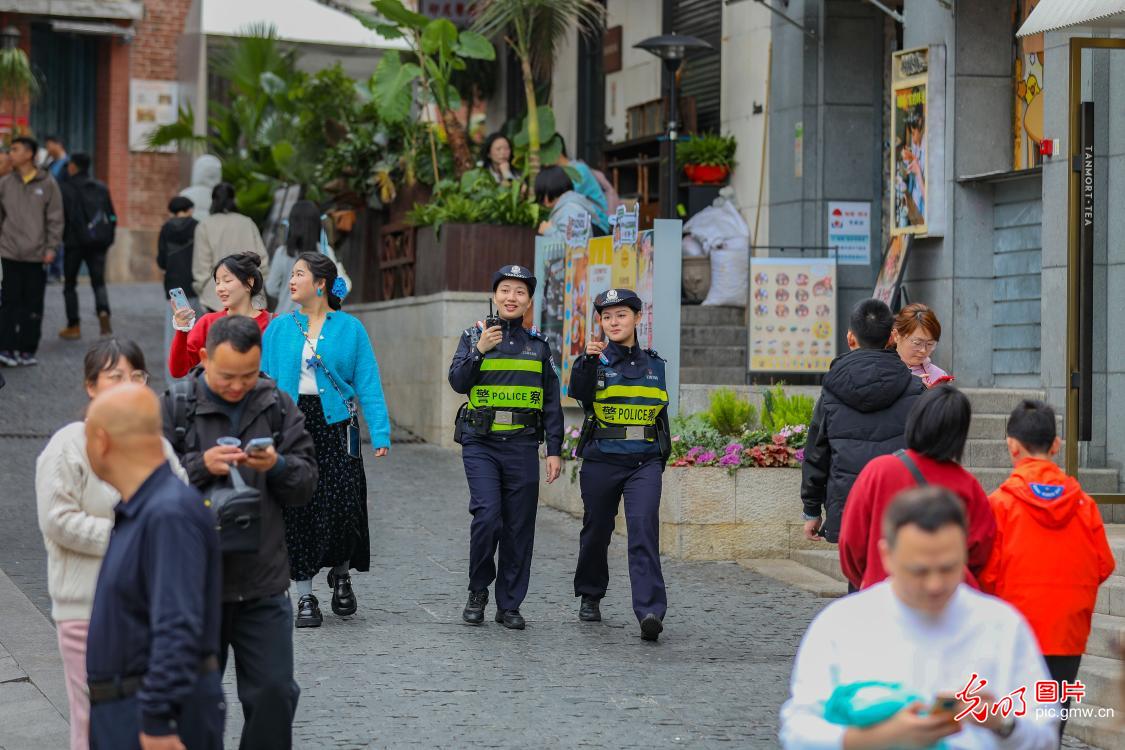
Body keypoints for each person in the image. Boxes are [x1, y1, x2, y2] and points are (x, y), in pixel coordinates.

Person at [780, 486, 1058, 749]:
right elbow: (797, 731)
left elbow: (1045, 735)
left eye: (948, 568)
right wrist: (881, 737)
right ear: (886, 556)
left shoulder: (1003, 624)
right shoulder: (841, 623)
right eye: (919, 571)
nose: (935, 584)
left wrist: (1002, 723)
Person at [162, 315, 317, 749]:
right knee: (193, 703)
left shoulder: (276, 405)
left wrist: (279, 467)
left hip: (261, 582)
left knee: (274, 694)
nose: (236, 386)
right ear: (206, 358)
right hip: (192, 585)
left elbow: (307, 482)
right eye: (226, 376)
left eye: (247, 376)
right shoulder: (175, 405)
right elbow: (142, 486)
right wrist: (198, 466)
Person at [35, 339, 187, 750]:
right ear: (91, 386)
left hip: (148, 607)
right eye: (115, 376)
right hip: (86, 606)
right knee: (93, 725)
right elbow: (57, 519)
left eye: (136, 376)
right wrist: (128, 539)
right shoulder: (68, 444)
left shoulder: (156, 445)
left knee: (153, 721)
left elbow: (181, 502)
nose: (129, 384)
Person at [84, 384, 224, 750]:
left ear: (101, 441)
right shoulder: (150, 509)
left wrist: (157, 719)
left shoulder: (168, 514)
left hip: (151, 721)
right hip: (131, 711)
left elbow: (178, 624)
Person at [261, 252, 391, 627]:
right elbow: (264, 383)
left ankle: (342, 572)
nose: (291, 280)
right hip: (291, 425)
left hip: (337, 425)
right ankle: (305, 597)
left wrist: (379, 431)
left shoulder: (350, 329)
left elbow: (367, 381)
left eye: (299, 274)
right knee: (297, 509)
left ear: (320, 283)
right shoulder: (279, 329)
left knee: (343, 505)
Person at [980, 400, 1115, 739]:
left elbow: (987, 575)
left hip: (1015, 634)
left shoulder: (1000, 504)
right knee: (1051, 728)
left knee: (1012, 729)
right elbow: (1103, 565)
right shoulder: (1084, 503)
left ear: (1011, 445)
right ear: (1056, 446)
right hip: (1067, 635)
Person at [448, 265, 564, 629]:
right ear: (494, 296)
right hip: (480, 442)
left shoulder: (539, 345)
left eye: (519, 292)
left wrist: (555, 449)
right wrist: (480, 351)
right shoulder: (473, 336)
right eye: (505, 290)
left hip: (523, 444)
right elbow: (457, 381)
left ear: (529, 301)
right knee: (487, 515)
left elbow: (551, 402)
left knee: (519, 525)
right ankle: (478, 589)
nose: (511, 297)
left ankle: (509, 604)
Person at [569, 288, 670, 641]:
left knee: (644, 529)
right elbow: (578, 392)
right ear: (600, 322)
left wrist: (660, 458)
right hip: (602, 459)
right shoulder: (593, 362)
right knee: (597, 530)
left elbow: (661, 417)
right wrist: (586, 361)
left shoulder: (656, 364)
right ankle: (590, 593)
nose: (614, 322)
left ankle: (650, 610)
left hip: (644, 462)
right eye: (607, 317)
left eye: (621, 315)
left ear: (637, 318)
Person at [838, 384, 997, 590]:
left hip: (884, 595)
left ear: (915, 420)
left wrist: (871, 579)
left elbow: (851, 543)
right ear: (960, 434)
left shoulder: (879, 471)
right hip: (945, 601)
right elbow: (979, 554)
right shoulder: (968, 486)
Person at [800, 299, 926, 546]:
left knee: (857, 581)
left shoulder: (831, 391)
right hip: (901, 506)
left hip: (848, 506)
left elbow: (816, 453)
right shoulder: (915, 389)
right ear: (892, 337)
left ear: (850, 339)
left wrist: (812, 510)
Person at [0, 136, 64, 367]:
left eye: (15, 149)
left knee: (32, 304)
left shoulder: (47, 183)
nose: (10, 154)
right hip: (9, 253)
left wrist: (51, 248)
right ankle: (6, 348)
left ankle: (27, 349)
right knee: (8, 303)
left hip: (37, 255)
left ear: (29, 153)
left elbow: (55, 219)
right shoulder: (6, 183)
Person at [169, 252, 271, 378]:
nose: (220, 288)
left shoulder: (274, 323)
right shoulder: (208, 322)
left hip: (261, 396)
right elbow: (178, 370)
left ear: (249, 282)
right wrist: (181, 329)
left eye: (227, 281)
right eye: (217, 283)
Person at [58, 153, 117, 340]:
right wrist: (108, 237)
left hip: (74, 243)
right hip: (98, 242)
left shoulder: (65, 188)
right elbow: (112, 216)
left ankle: (73, 326)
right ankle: (103, 316)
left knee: (69, 284)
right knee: (98, 282)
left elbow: (62, 217)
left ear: (74, 167)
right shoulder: (101, 187)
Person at [192, 182, 268, 313]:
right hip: (249, 298)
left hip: (216, 300)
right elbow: (262, 260)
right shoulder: (247, 222)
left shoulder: (205, 226)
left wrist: (203, 288)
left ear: (213, 200)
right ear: (233, 200)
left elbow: (201, 267)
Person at [265, 200, 349, 317]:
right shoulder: (324, 252)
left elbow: (271, 288)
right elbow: (341, 285)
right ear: (317, 224)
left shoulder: (282, 253)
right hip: (316, 319)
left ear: (292, 224)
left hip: (286, 319)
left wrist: (288, 293)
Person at [157, 196, 202, 383]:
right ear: (190, 209)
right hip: (195, 285)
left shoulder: (166, 228)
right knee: (198, 332)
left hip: (174, 288)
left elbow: (161, 261)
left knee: (175, 333)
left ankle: (174, 379)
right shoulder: (198, 226)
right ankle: (197, 377)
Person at [535, 166, 606, 242]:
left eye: (541, 194)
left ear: (549, 189)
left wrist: (548, 230)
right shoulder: (568, 206)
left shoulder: (570, 209)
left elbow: (573, 244)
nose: (542, 200)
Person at [556, 139, 612, 232]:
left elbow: (563, 198)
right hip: (578, 221)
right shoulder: (557, 173)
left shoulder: (579, 169)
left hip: (597, 223)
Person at [892, 302, 950, 387]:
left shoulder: (939, 375)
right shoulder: (881, 371)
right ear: (896, 335)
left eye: (930, 344)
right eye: (917, 343)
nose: (923, 350)